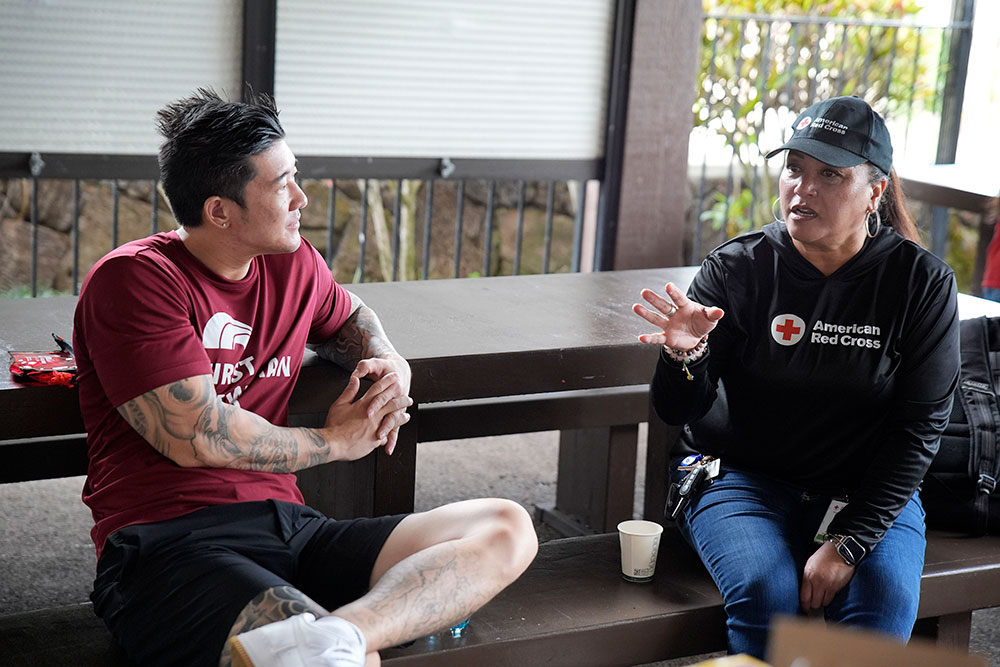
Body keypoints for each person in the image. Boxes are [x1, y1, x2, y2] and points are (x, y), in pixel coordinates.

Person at [73, 88, 538, 667]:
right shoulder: (136, 280)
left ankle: (339, 635)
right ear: (220, 210)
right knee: (329, 660)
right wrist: (333, 443)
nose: (303, 198)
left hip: (294, 528)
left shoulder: (291, 262)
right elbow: (196, 435)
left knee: (506, 526)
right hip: (171, 546)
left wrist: (388, 358)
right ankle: (333, 642)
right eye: (282, 184)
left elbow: (349, 315)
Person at [632, 96, 960, 658]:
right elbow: (676, 412)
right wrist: (684, 357)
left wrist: (850, 541)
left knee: (880, 605)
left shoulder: (920, 282)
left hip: (866, 488)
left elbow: (919, 428)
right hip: (739, 478)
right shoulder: (739, 267)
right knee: (767, 595)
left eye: (829, 175)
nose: (802, 188)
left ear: (874, 192)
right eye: (794, 169)